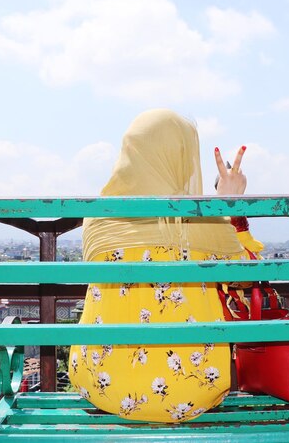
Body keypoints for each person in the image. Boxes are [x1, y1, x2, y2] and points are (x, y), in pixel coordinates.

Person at [68, 109, 262, 423]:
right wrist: (230, 207)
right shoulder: (201, 221)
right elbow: (249, 276)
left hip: (101, 384)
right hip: (191, 390)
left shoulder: (96, 219)